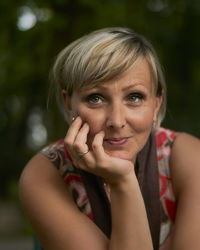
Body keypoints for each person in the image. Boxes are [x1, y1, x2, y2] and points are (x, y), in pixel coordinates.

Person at [19, 27, 200, 250]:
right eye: (95, 98)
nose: (116, 120)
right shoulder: (45, 174)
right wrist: (122, 180)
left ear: (156, 104)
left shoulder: (188, 157)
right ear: (69, 104)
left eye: (134, 97)